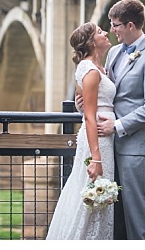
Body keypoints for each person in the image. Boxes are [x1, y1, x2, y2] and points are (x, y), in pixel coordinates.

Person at [97, 0, 145, 239]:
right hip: (109, 146)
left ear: (129, 25)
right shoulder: (114, 52)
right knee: (114, 213)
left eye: (115, 25)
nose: (111, 30)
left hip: (135, 147)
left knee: (137, 213)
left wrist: (117, 126)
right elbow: (109, 91)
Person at [46, 22, 115, 239]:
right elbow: (89, 115)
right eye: (100, 32)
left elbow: (86, 104)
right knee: (94, 194)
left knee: (97, 195)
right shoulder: (91, 71)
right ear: (91, 43)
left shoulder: (98, 68)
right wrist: (96, 158)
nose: (106, 33)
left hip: (103, 137)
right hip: (98, 142)